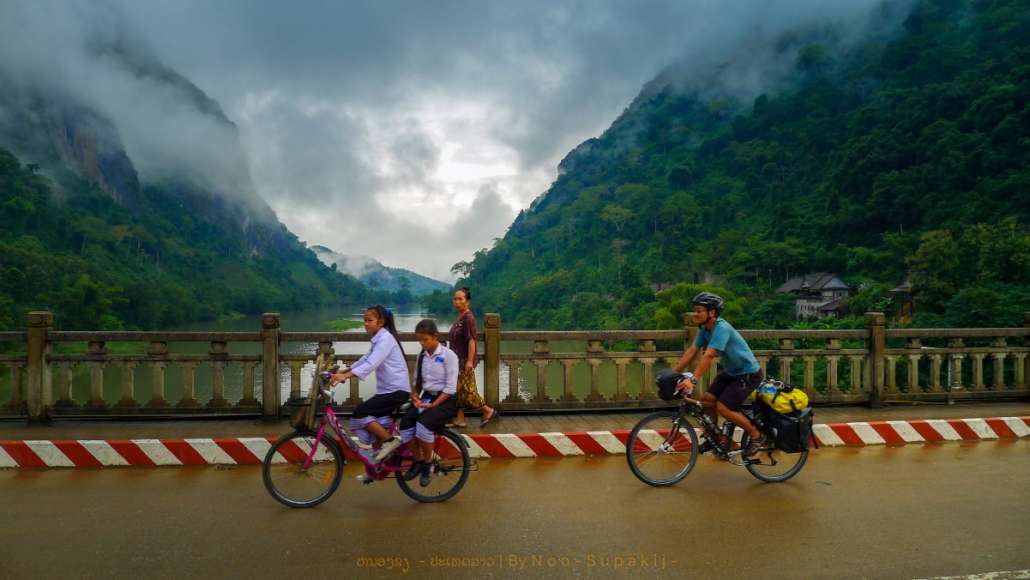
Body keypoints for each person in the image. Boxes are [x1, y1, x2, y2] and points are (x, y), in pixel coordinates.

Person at [671, 292, 767, 455]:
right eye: (695, 310)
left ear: (712, 312)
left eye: (699, 310)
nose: (695, 313)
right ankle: (716, 438)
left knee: (724, 407)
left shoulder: (721, 328)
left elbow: (708, 355)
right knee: (707, 400)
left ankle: (757, 436)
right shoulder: (704, 330)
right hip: (731, 372)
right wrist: (672, 373)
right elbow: (692, 351)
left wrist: (692, 380)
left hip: (747, 374)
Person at [330, 305, 409, 463]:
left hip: (396, 392)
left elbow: (372, 363)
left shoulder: (385, 339)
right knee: (374, 424)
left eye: (369, 320)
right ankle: (375, 466)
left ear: (380, 322)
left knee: (361, 412)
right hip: (388, 391)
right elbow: (365, 358)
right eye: (364, 320)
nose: (366, 323)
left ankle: (390, 441)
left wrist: (346, 376)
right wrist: (345, 371)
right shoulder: (378, 338)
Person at [398, 319, 458, 487]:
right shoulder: (421, 356)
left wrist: (433, 405)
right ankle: (418, 461)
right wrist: (415, 396)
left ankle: (428, 463)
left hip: (446, 400)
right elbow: (417, 383)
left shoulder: (449, 356)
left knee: (423, 426)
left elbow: (450, 387)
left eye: (426, 340)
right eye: (420, 340)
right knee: (405, 425)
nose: (423, 344)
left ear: (435, 337)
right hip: (427, 398)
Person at [448, 287, 498, 428]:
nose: (456, 301)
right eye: (455, 299)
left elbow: (471, 340)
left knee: (468, 392)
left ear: (467, 301)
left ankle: (488, 411)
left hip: (464, 362)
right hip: (456, 362)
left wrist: (469, 361)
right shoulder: (460, 316)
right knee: (458, 391)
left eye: (460, 299)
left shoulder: (468, 317)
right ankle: (461, 419)